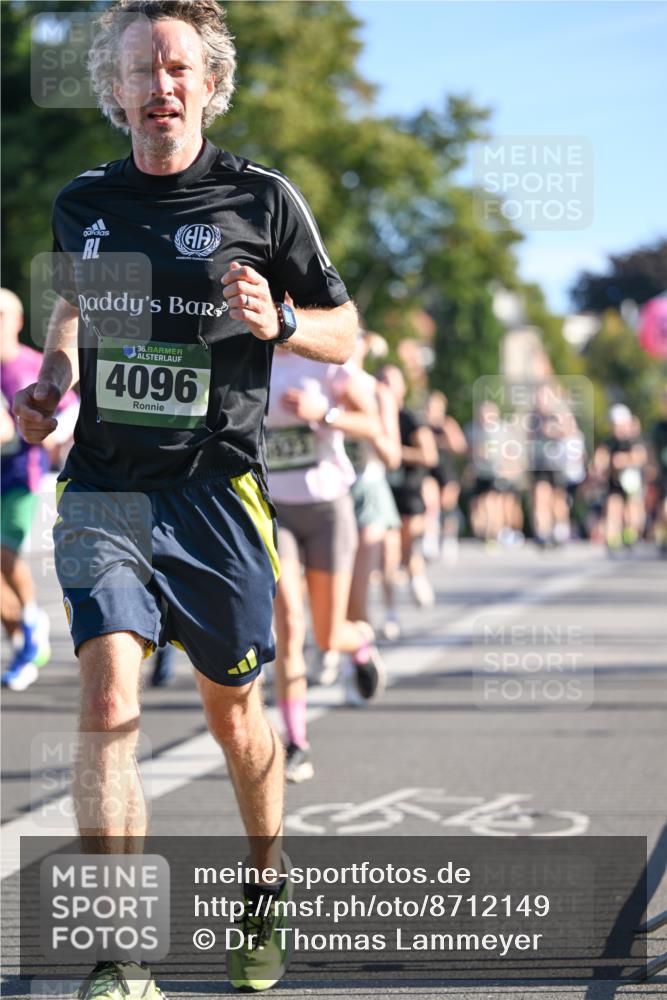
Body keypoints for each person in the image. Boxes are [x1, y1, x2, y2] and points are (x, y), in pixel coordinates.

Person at [12, 2, 357, 995]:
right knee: (109, 696)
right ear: (115, 93)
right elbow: (74, 310)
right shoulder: (83, 202)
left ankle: (262, 881)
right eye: (140, 70)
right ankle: (120, 952)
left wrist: (282, 320)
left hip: (217, 492)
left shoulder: (264, 200)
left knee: (236, 717)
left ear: (208, 84)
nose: (160, 85)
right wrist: (52, 382)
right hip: (108, 487)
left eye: (177, 68)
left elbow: (345, 334)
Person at [267, 345, 384, 782]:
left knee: (329, 634)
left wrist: (325, 413)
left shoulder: (327, 360)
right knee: (290, 625)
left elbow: (372, 423)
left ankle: (360, 645)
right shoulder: (244, 354)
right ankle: (296, 742)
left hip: (326, 511)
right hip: (274, 510)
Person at [1, 288, 78, 691]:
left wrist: (50, 435)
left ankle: (29, 625)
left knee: (4, 553)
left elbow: (72, 408)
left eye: (0, 315)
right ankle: (24, 636)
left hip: (19, 478)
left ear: (16, 321)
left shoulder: (33, 364)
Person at [377, 364, 438, 609]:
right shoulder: (372, 413)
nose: (387, 388)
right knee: (387, 554)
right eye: (382, 381)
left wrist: (395, 452)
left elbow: (429, 455)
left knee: (407, 544)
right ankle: (390, 612)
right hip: (384, 490)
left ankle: (417, 576)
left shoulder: (410, 418)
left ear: (402, 388)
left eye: (392, 383)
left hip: (409, 489)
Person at [593, 405, 647, 554]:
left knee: (632, 510)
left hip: (632, 484)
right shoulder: (609, 441)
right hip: (615, 482)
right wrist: (599, 465)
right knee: (613, 507)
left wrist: (624, 460)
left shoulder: (634, 440)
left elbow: (640, 457)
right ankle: (612, 540)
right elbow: (601, 456)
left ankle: (630, 536)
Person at [422, 390, 467, 563]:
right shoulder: (423, 426)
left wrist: (446, 437)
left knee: (448, 506)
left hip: (447, 470)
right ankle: (430, 541)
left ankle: (448, 540)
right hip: (430, 470)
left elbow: (460, 447)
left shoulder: (447, 424)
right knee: (430, 504)